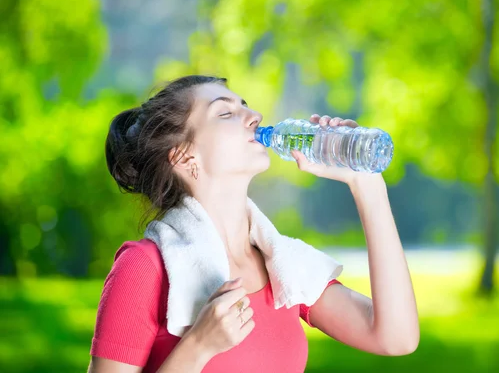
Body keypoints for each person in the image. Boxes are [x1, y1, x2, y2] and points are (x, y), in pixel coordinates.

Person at [88, 75, 420, 372]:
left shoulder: (284, 267)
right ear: (183, 155)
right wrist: (198, 348)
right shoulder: (144, 267)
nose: (255, 117)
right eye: (225, 112)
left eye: (245, 106)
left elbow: (396, 338)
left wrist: (366, 185)